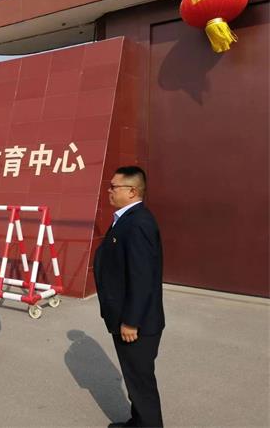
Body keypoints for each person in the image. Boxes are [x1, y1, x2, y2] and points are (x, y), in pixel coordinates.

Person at [94, 166, 165, 428]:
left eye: (114, 187)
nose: (109, 191)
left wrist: (131, 321)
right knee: (134, 378)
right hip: (127, 318)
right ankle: (138, 422)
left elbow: (142, 278)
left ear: (132, 191)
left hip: (137, 325)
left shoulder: (138, 223)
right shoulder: (125, 219)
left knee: (141, 383)